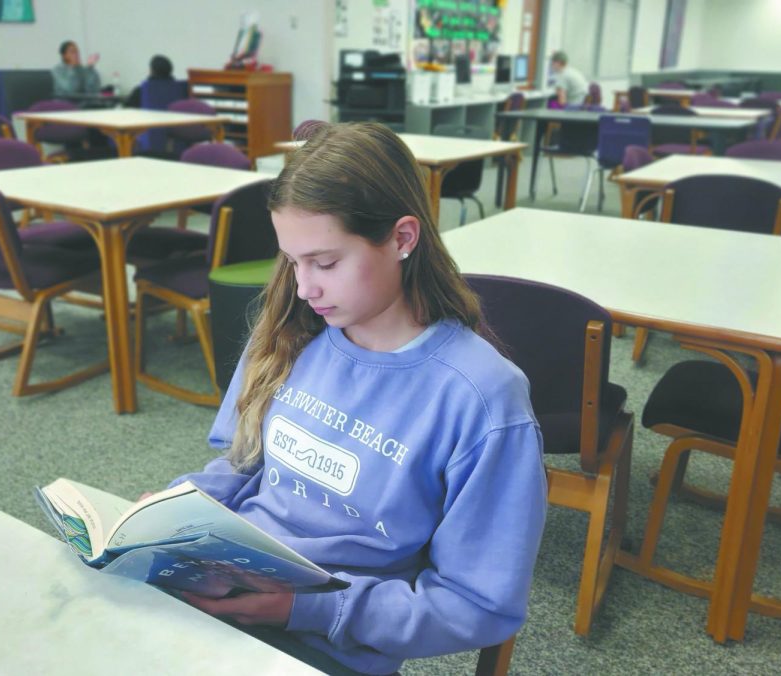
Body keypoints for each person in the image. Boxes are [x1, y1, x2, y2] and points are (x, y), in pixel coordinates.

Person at [161, 122, 547, 675]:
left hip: (323, 641)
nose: (303, 287)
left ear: (402, 239)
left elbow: (479, 604)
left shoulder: (482, 398)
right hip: (222, 581)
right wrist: (177, 508)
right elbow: (243, 464)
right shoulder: (289, 331)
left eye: (326, 262)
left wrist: (298, 608)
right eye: (292, 261)